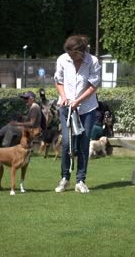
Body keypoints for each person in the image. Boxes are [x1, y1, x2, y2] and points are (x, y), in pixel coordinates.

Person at [53, 35, 101, 194]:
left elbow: (93, 86)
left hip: (87, 108)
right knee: (66, 143)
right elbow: (58, 81)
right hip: (66, 107)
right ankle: (65, 178)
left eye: (73, 55)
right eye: (68, 54)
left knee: (83, 144)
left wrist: (78, 101)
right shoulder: (62, 60)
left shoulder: (92, 61)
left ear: (81, 52)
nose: (70, 58)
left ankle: (80, 180)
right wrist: (65, 97)